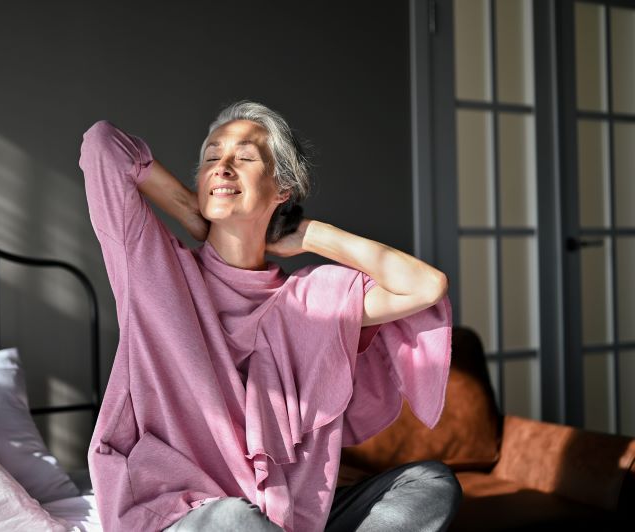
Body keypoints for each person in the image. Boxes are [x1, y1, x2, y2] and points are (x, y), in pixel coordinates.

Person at [79, 100, 460, 532]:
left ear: (282, 190)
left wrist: (315, 234)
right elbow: (103, 145)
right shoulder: (154, 270)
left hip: (290, 517)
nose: (222, 167)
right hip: (187, 514)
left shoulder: (312, 299)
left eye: (243, 158)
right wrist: (191, 211)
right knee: (233, 519)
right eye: (211, 159)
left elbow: (426, 287)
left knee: (430, 482)